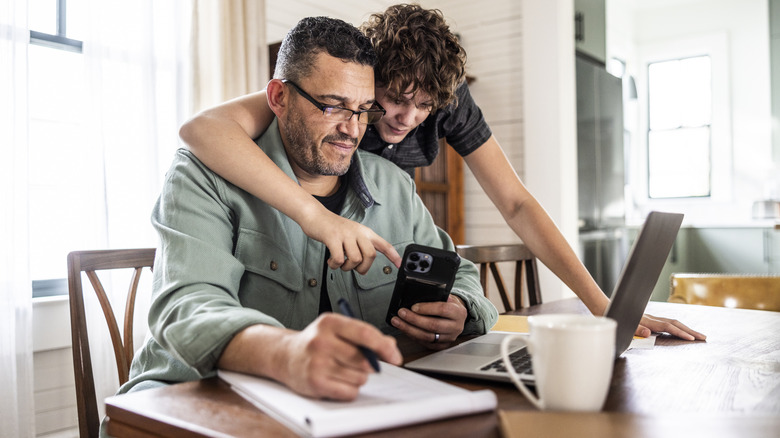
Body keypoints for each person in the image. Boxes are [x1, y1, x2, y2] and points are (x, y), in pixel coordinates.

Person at [179, 4, 705, 341]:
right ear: (368, 76)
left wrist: (605, 308)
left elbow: (516, 204)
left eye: (425, 106)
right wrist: (315, 217)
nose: (405, 119)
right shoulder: (331, 100)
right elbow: (203, 129)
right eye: (389, 100)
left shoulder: (421, 137)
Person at [115, 16, 497, 406]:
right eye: (333, 107)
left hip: (348, 406)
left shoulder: (394, 184)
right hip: (193, 402)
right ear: (279, 98)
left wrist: (460, 309)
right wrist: (286, 353)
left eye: (365, 110)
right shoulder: (201, 175)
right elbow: (188, 309)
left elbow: (460, 273)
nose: (353, 130)